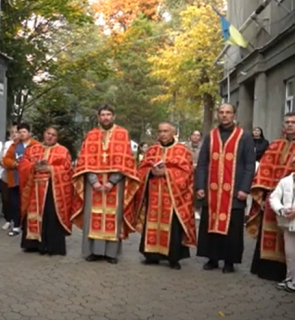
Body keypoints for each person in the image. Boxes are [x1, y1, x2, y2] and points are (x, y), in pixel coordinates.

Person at [71, 104, 140, 264]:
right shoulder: (91, 135)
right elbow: (84, 160)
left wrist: (111, 182)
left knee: (113, 217)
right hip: (93, 184)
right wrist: (94, 182)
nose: (106, 117)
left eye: (109, 114)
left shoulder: (122, 134)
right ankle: (93, 251)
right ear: (98, 117)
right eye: (103, 114)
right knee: (91, 216)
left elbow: (125, 161)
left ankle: (111, 253)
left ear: (113, 116)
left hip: (115, 184)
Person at [195, 103, 256, 273]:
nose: (224, 115)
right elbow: (202, 164)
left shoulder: (244, 136)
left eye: (228, 112)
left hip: (234, 192)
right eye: (221, 112)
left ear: (234, 115)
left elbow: (250, 165)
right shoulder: (211, 136)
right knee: (210, 224)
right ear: (217, 115)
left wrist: (245, 188)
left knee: (233, 228)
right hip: (212, 191)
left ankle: (230, 261)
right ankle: (212, 258)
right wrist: (200, 186)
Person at [136, 122, 196, 269]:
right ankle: (152, 255)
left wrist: (167, 173)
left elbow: (187, 173)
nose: (162, 134)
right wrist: (150, 172)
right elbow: (141, 169)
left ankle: (173, 258)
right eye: (160, 131)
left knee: (173, 227)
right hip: (154, 195)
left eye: (166, 131)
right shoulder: (152, 150)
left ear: (173, 133)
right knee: (152, 224)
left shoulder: (183, 151)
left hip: (174, 197)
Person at [246, 113, 295, 284]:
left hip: (292, 199)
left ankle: (290, 274)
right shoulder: (275, 145)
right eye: (287, 122)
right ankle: (267, 270)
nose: (290, 125)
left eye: (293, 122)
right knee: (270, 232)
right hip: (272, 197)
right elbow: (264, 169)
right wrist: (263, 194)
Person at [18, 126, 75, 255]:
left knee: (50, 217)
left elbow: (68, 170)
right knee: (33, 215)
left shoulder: (63, 151)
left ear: (57, 137)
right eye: (48, 133)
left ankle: (51, 246)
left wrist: (51, 170)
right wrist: (33, 166)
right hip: (34, 188)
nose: (50, 136)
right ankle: (32, 244)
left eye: (53, 135)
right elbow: (23, 165)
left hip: (52, 190)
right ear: (44, 134)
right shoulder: (33, 149)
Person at [2, 123, 39, 237]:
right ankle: (16, 226)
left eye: (24, 132)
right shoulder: (14, 146)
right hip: (15, 179)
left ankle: (28, 225)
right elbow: (5, 160)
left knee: (29, 204)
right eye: (20, 132)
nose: (22, 134)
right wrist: (13, 163)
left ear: (29, 133)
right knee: (15, 203)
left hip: (30, 181)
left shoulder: (36, 145)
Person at [268, 161, 295, 292]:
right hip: (288, 224)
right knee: (290, 253)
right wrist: (282, 210)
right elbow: (274, 198)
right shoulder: (286, 181)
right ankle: (290, 279)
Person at [0, 124, 18, 231]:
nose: (14, 134)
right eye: (12, 132)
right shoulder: (6, 144)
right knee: (6, 199)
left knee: (15, 199)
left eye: (16, 132)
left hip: (18, 175)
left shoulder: (22, 145)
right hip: (6, 174)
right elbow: (1, 158)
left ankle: (17, 221)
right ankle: (8, 220)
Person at [183, 130, 203, 219]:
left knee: (198, 189)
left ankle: (197, 209)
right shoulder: (185, 147)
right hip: (187, 171)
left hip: (199, 171)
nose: (195, 137)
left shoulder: (203, 147)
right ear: (191, 136)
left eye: (197, 135)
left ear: (200, 137)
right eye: (194, 135)